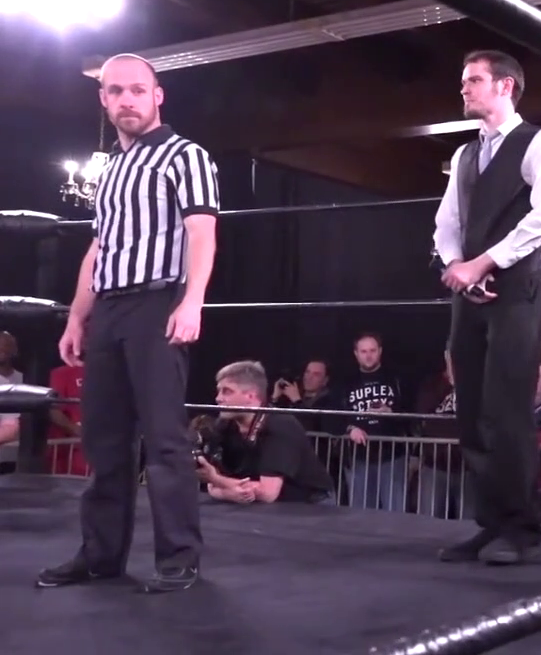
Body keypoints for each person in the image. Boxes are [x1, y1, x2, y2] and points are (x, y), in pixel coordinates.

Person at [37, 53, 219, 594]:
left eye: (138, 90)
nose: (127, 100)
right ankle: (100, 555)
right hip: (110, 308)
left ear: (157, 95)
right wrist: (76, 316)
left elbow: (202, 232)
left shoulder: (185, 155)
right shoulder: (112, 169)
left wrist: (192, 301)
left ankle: (179, 558)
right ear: (103, 99)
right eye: (116, 91)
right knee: (104, 437)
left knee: (164, 437)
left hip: (158, 302)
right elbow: (100, 247)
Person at [432, 49, 541, 565]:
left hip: (518, 286)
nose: (464, 89)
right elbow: (447, 222)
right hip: (470, 287)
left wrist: (484, 263)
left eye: (473, 80)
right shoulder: (465, 155)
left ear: (505, 86)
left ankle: (520, 528)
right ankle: (490, 522)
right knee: (470, 405)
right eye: (464, 80)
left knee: (507, 407)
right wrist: (458, 267)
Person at [195, 361, 333, 505]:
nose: (218, 398)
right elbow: (212, 488)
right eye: (219, 391)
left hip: (311, 504)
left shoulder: (281, 425)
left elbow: (267, 493)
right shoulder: (225, 425)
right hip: (267, 505)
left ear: (250, 396)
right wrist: (228, 492)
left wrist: (217, 480)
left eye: (227, 391)